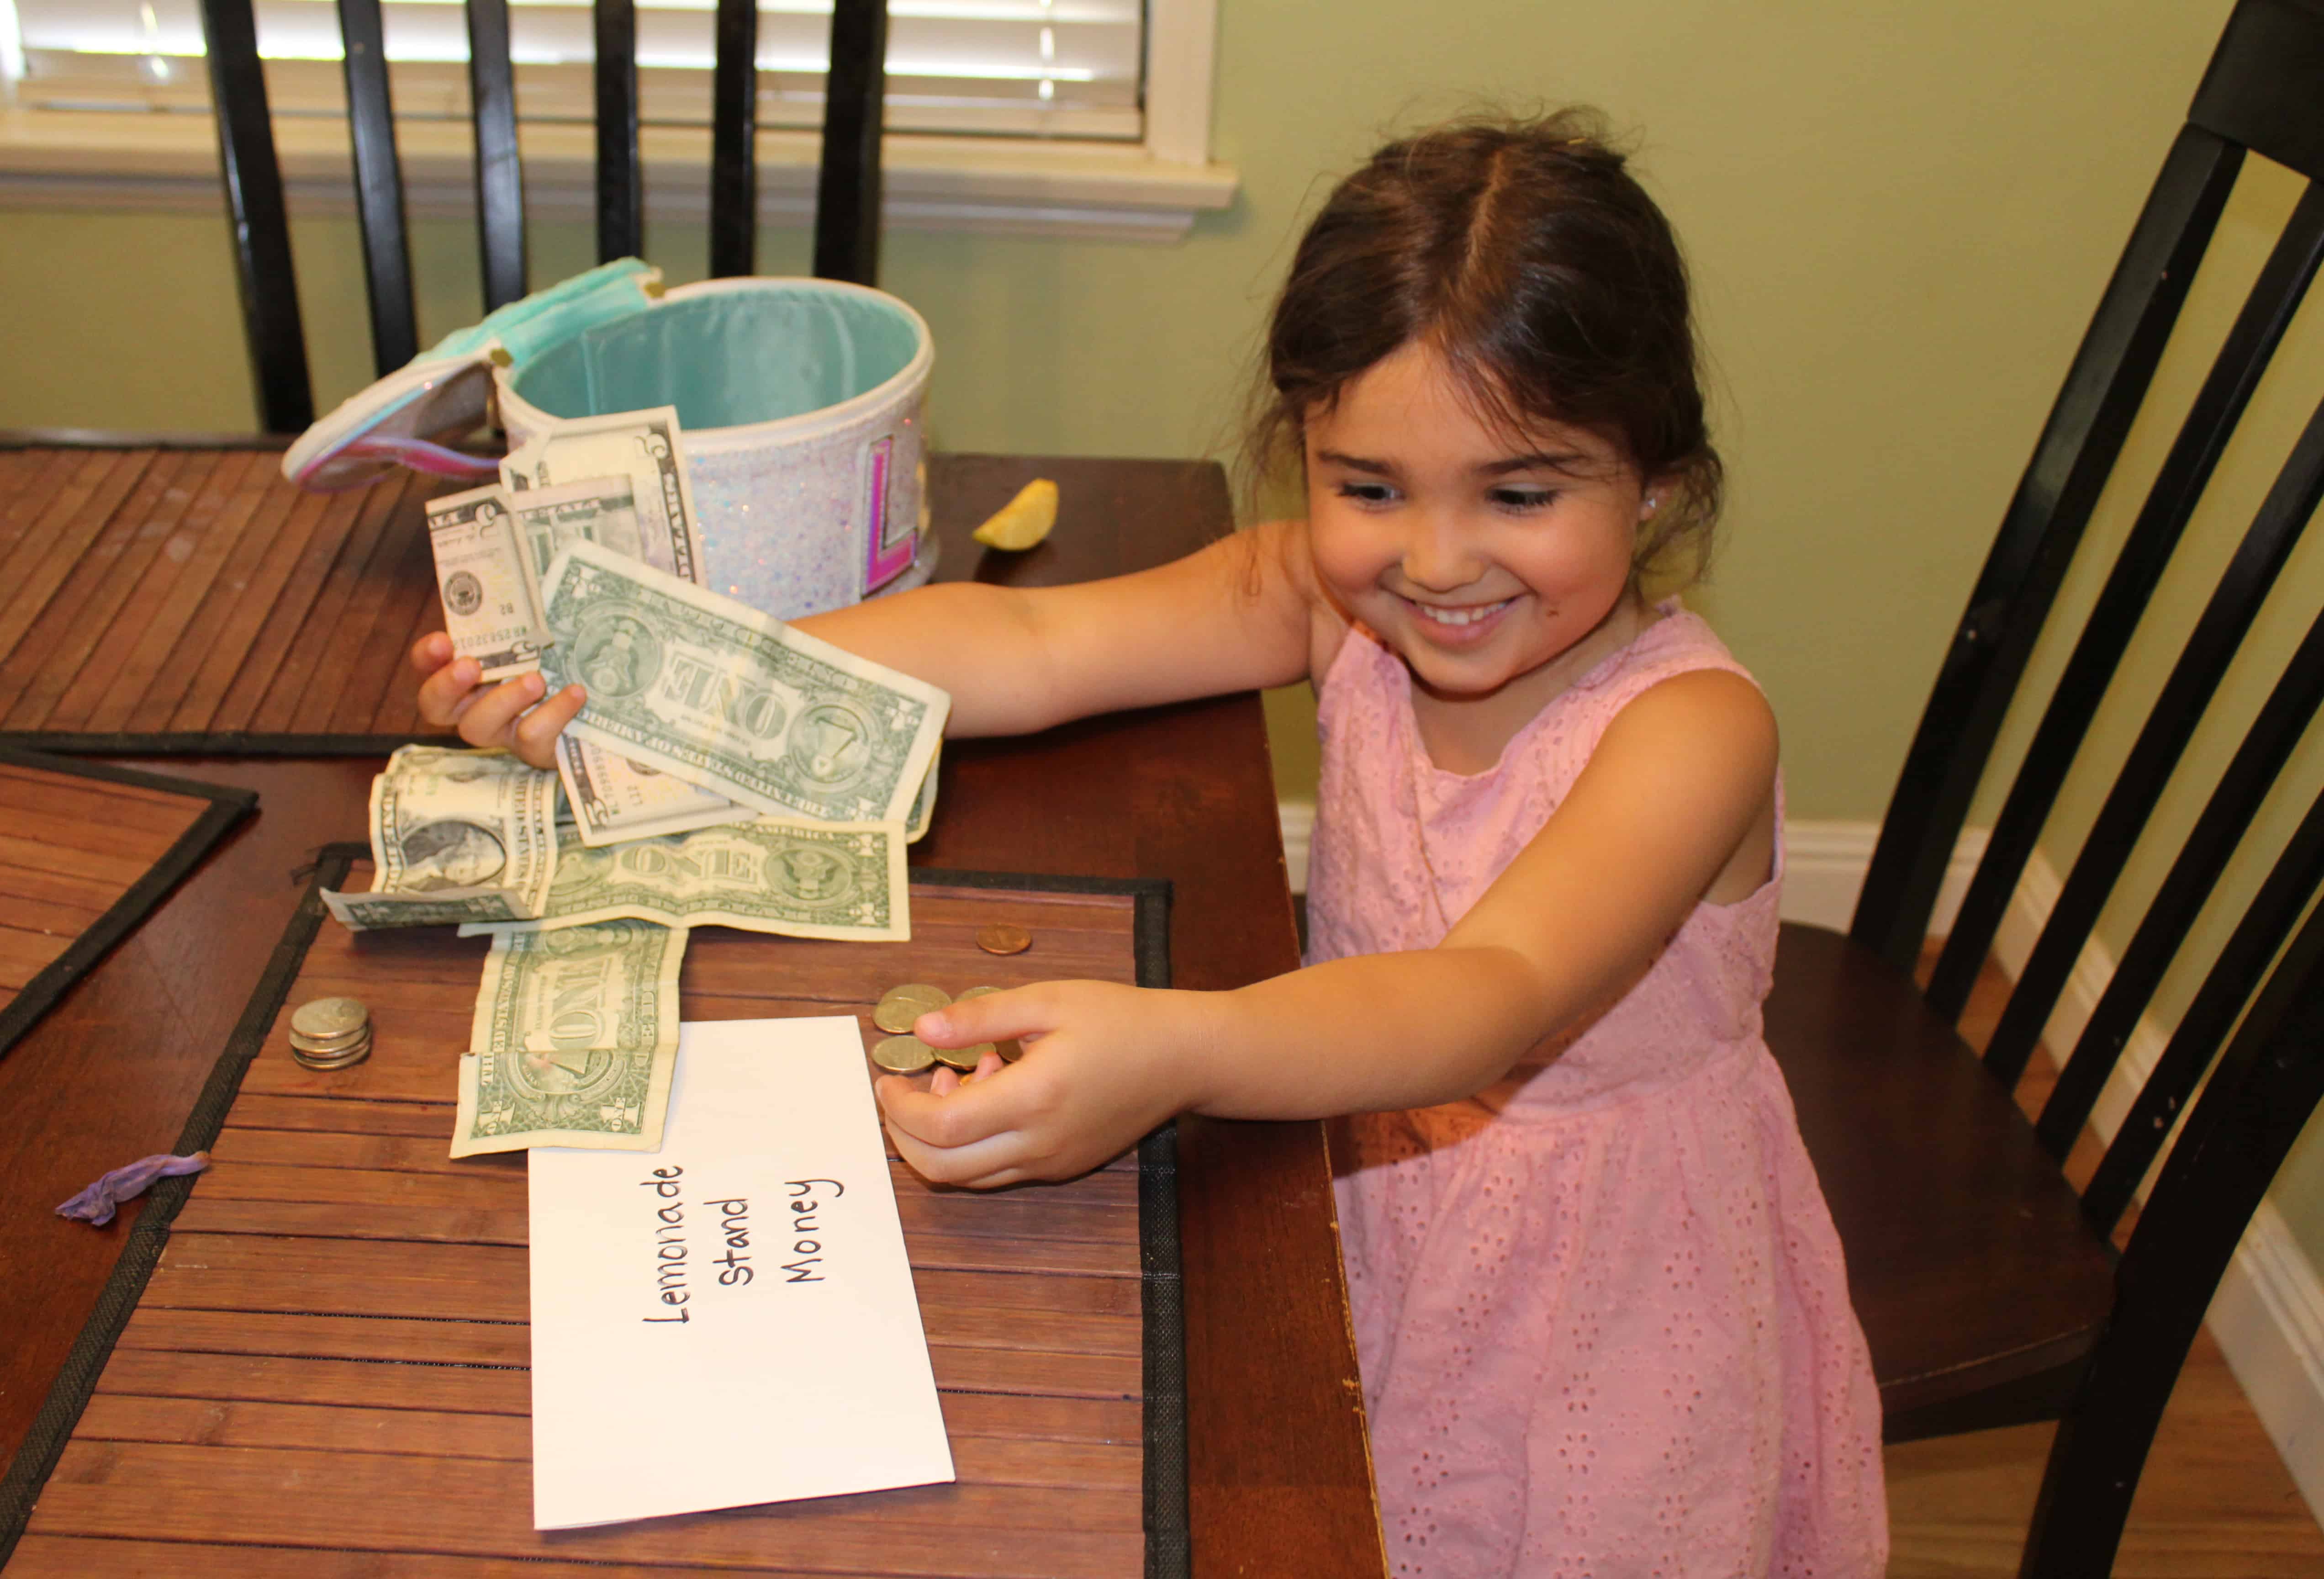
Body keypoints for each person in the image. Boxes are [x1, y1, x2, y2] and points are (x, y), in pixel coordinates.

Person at [409, 109, 1887, 1576]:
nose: (1434, 562)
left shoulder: (1692, 733)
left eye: (1521, 492)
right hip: (1341, 1161)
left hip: (1596, 1304)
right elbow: (1038, 637)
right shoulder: (1330, 598)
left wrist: (1179, 1049)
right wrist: (690, 688)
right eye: (1368, 487)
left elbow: (1487, 994)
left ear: (1661, 482)